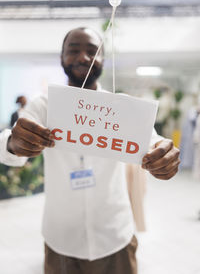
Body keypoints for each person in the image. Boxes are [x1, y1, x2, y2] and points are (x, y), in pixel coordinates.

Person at [0, 27, 180, 274]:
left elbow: (153, 141)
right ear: (61, 58)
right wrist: (13, 143)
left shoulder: (121, 106)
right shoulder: (43, 105)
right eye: (73, 51)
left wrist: (163, 154)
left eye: (92, 51)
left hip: (115, 236)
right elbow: (10, 144)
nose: (83, 57)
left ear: (103, 59)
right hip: (60, 239)